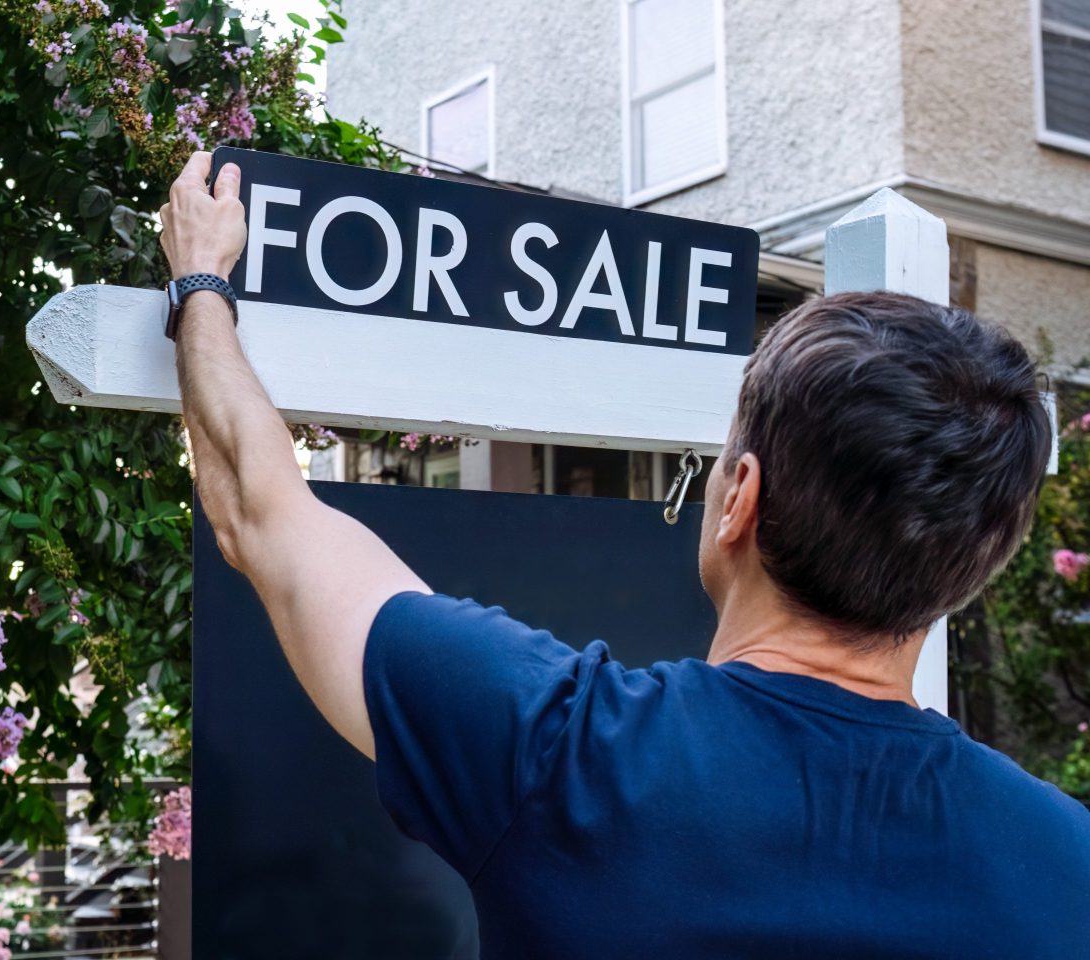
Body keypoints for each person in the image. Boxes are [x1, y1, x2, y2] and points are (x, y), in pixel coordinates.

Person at [157, 151, 1090, 958]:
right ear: (976, 561)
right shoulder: (1065, 863)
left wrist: (202, 285)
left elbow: (259, 507)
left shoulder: (559, 755)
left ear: (741, 500)